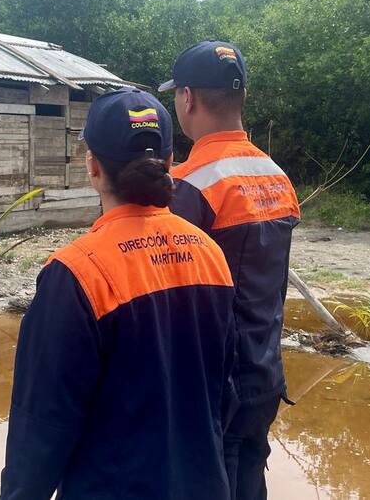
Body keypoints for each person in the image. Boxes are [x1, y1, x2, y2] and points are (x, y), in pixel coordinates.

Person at [0, 87, 238, 500]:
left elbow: (40, 429)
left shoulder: (76, 273)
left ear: (93, 167)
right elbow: (223, 393)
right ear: (169, 163)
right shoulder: (210, 254)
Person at [160, 41, 300, 500]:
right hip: (264, 374)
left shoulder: (189, 186)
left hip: (212, 387)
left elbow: (169, 300)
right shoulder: (277, 176)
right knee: (250, 481)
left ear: (187, 98)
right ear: (242, 96)